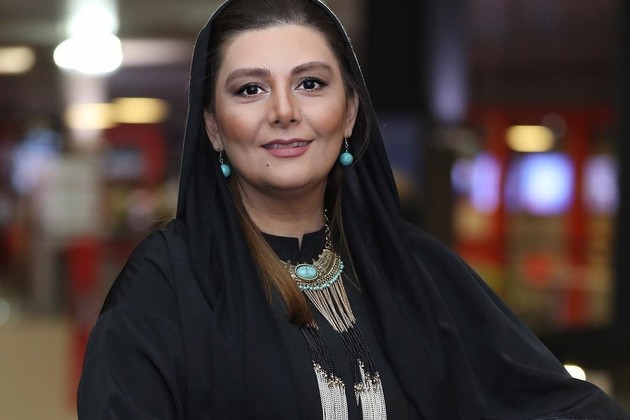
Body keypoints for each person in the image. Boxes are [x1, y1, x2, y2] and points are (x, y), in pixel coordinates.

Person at [77, 0, 630, 419]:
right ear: (214, 128)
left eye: (310, 83)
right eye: (250, 90)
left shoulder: (414, 269)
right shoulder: (167, 282)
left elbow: (571, 408)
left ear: (348, 115)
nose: (284, 111)